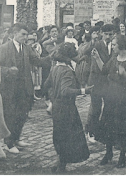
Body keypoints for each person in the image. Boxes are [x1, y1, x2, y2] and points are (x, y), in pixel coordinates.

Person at [0, 23, 51, 154]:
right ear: (14, 34)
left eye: (27, 35)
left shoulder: (27, 48)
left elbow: (37, 61)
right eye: (23, 34)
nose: (26, 37)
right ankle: (8, 143)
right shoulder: (4, 48)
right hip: (10, 88)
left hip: (24, 87)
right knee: (10, 115)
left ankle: (16, 138)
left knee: (22, 114)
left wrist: (52, 57)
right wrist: (9, 70)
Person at [92, 34, 126, 168]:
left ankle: (122, 156)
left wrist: (124, 74)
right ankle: (108, 153)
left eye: (114, 45)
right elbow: (104, 70)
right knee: (109, 125)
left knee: (124, 127)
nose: (112, 47)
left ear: (121, 45)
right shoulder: (114, 59)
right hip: (112, 98)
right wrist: (97, 58)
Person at [43, 42, 92, 173]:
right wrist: (83, 91)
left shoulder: (55, 68)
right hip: (67, 107)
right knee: (68, 135)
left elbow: (46, 85)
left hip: (57, 107)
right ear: (69, 57)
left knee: (60, 134)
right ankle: (61, 165)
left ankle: (59, 161)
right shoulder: (66, 71)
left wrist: (52, 100)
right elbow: (66, 91)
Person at [85, 24, 115, 141]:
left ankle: (102, 130)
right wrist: (92, 41)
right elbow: (85, 51)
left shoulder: (114, 45)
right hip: (96, 80)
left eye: (110, 34)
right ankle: (91, 132)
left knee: (108, 106)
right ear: (101, 33)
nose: (108, 36)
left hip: (108, 81)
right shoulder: (96, 44)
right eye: (106, 34)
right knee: (96, 108)